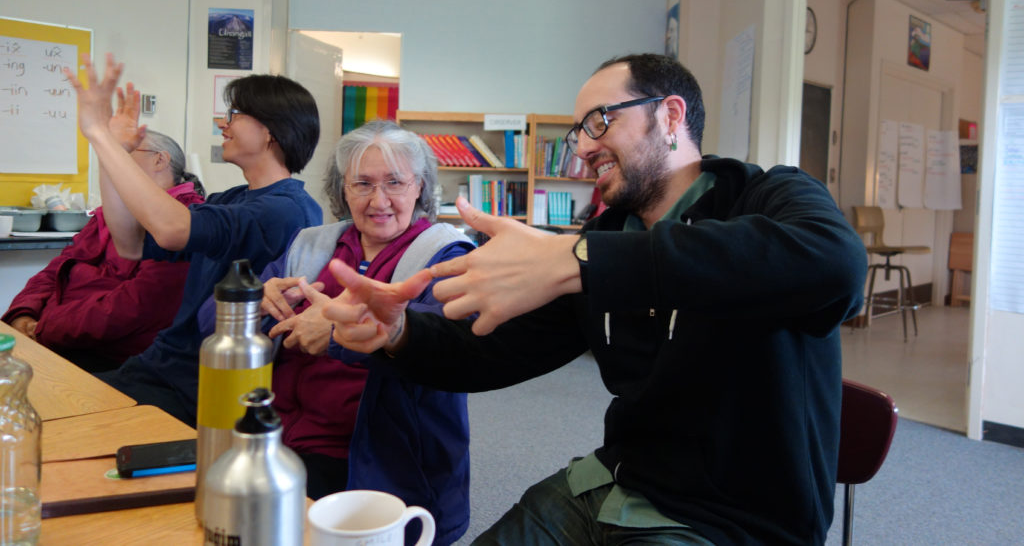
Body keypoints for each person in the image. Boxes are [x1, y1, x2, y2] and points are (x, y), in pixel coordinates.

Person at [321, 53, 868, 545]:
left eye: (600, 121)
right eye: (579, 130)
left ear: (671, 116)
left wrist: (576, 258)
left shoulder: (770, 195)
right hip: (612, 483)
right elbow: (498, 350)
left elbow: (835, 267)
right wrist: (399, 333)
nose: (582, 146)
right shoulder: (608, 234)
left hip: (731, 522)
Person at [250, 120, 474, 545]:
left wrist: (336, 332)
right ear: (343, 191)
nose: (379, 200)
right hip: (275, 435)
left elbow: (450, 346)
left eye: (394, 182)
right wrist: (251, 303)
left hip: (373, 459)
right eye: (362, 184)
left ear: (420, 188)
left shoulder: (446, 253)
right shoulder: (311, 244)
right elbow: (214, 324)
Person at [65, 54, 321, 425]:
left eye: (234, 115)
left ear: (270, 130)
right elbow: (130, 241)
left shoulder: (288, 210)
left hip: (196, 388)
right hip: (161, 369)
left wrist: (98, 135)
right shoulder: (234, 198)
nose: (223, 124)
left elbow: (171, 228)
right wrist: (113, 153)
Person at [2, 131, 205, 372]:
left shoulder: (183, 220)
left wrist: (47, 327)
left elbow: (139, 305)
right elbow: (57, 269)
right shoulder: (110, 212)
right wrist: (23, 314)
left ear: (160, 160)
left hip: (115, 358)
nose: (111, 164)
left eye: (122, 153)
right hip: (55, 338)